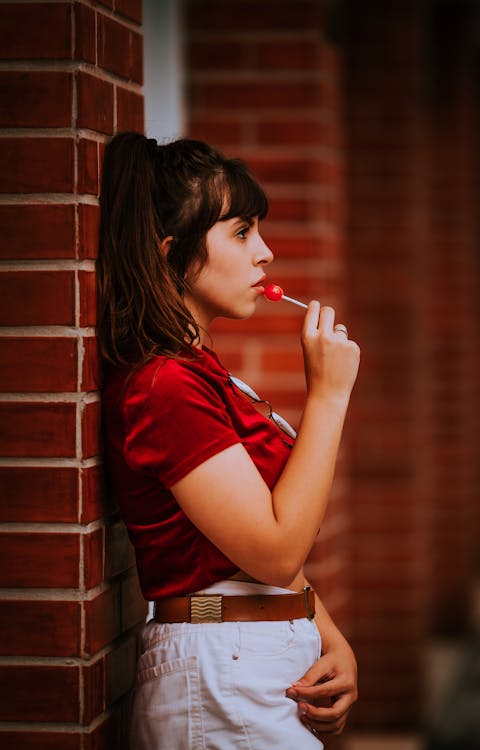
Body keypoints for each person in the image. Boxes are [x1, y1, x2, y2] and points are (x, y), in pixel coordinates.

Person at [97, 131, 360, 750]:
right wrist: (328, 396)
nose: (265, 253)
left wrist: (328, 636)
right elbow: (272, 552)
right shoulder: (163, 385)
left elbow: (252, 560)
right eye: (241, 232)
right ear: (172, 253)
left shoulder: (203, 373)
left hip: (248, 669)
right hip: (219, 679)